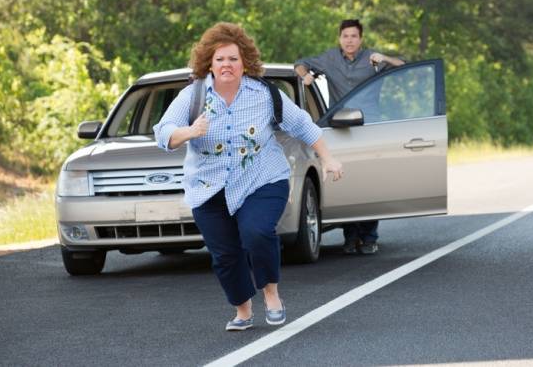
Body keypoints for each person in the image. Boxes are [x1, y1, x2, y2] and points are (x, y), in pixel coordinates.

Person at [153, 22, 343, 331]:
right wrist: (190, 131)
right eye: (220, 59)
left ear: (245, 64)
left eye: (233, 59)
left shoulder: (265, 94)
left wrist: (329, 157)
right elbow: (163, 133)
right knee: (224, 254)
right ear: (209, 64)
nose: (226, 65)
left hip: (262, 178)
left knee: (256, 233)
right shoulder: (193, 96)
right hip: (208, 186)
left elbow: (302, 124)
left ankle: (271, 294)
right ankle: (243, 310)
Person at [294, 19, 404, 255]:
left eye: (354, 36)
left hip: (369, 128)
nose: (349, 40)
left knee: (370, 182)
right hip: (341, 129)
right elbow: (300, 64)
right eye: (345, 36)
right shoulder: (330, 58)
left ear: (360, 39)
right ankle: (351, 237)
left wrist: (383, 58)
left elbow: (403, 65)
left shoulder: (371, 58)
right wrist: (306, 76)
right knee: (346, 181)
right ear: (340, 38)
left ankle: (369, 237)